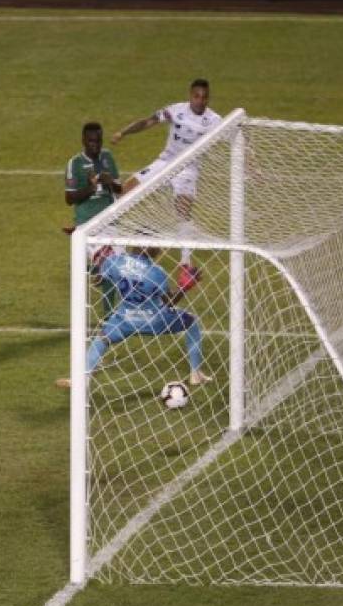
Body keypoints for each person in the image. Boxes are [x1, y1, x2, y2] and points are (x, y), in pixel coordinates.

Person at [111, 79, 221, 292]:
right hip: (165, 162)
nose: (200, 101)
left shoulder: (214, 120)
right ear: (190, 96)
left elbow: (237, 138)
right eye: (196, 96)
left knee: (183, 211)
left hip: (188, 169)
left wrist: (253, 168)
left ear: (208, 98)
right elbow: (147, 122)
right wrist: (123, 132)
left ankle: (186, 265)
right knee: (124, 191)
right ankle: (113, 248)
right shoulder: (176, 111)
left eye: (204, 97)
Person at [55, 245, 212, 389]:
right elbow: (169, 302)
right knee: (191, 322)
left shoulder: (115, 261)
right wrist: (184, 287)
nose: (161, 249)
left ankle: (81, 379)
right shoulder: (157, 272)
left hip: (124, 320)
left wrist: (101, 263)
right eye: (158, 246)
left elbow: (98, 281)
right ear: (150, 250)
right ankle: (195, 374)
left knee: (102, 338)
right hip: (155, 321)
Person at [64, 121, 123, 317]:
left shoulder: (107, 157)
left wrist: (110, 183)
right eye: (90, 142)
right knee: (107, 265)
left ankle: (108, 314)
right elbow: (69, 198)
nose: (95, 145)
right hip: (88, 222)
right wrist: (90, 188)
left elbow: (119, 189)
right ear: (83, 141)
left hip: (109, 220)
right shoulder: (75, 163)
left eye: (98, 141)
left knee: (116, 269)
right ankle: (91, 268)